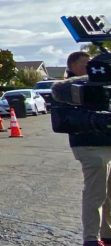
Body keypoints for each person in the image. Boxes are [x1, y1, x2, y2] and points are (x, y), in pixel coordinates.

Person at [60, 51, 111, 246]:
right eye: (85, 64)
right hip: (89, 144)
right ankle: (91, 238)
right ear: (72, 66)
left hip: (107, 141)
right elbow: (66, 118)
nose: (91, 67)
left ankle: (107, 233)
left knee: (109, 193)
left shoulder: (103, 84)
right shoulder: (68, 88)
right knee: (96, 192)